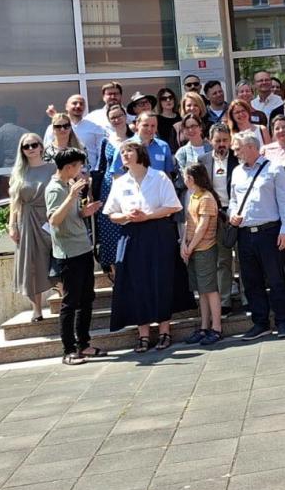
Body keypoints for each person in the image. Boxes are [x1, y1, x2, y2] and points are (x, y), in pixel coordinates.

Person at [104, 140, 190, 352]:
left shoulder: (159, 177)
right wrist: (126, 216)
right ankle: (143, 335)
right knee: (137, 283)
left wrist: (148, 215)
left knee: (161, 279)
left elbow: (173, 206)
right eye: (122, 152)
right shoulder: (120, 182)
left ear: (140, 153)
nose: (124, 154)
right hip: (132, 234)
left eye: (128, 150)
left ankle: (164, 331)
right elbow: (111, 214)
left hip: (158, 233)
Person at [228, 129, 285, 340]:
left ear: (251, 147)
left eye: (238, 149)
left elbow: (284, 202)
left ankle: (283, 322)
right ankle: (260, 322)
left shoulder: (274, 169)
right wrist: (232, 215)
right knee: (251, 281)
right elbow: (232, 201)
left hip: (269, 232)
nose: (235, 153)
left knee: (275, 279)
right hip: (245, 234)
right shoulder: (237, 172)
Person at [46, 146, 104, 364]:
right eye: (79, 166)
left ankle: (84, 344)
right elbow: (54, 220)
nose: (81, 170)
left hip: (83, 247)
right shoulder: (55, 189)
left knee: (86, 299)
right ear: (69, 167)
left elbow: (71, 215)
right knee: (70, 302)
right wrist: (71, 196)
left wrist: (83, 212)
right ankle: (68, 350)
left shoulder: (68, 185)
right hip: (68, 254)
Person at [9, 132, 57, 321]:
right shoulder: (18, 173)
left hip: (49, 218)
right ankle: (36, 309)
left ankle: (64, 302)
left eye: (34, 145)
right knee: (32, 264)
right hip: (27, 220)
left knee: (56, 261)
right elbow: (14, 201)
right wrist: (12, 225)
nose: (31, 149)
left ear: (41, 146)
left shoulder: (53, 168)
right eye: (26, 146)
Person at [199, 123, 240, 315]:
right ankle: (224, 301)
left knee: (244, 258)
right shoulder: (203, 160)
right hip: (216, 215)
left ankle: (248, 297)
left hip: (238, 214)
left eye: (225, 140)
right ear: (210, 141)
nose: (222, 144)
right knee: (222, 260)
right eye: (218, 141)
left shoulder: (238, 158)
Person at [180, 162, 223, 344]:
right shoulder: (193, 196)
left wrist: (190, 246)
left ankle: (217, 327)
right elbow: (189, 223)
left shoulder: (206, 198)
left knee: (210, 289)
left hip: (205, 248)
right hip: (193, 248)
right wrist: (184, 243)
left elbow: (203, 226)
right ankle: (204, 326)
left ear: (191, 178)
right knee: (202, 291)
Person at [92, 104, 132, 276]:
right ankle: (116, 277)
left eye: (119, 116)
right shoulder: (105, 141)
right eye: (113, 117)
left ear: (125, 116)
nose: (116, 120)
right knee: (111, 231)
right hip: (109, 189)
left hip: (132, 189)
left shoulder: (135, 139)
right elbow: (102, 166)